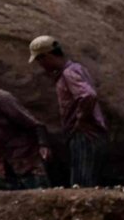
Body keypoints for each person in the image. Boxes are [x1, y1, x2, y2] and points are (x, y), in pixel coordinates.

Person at [29, 36, 107, 187]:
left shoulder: (68, 73)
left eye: (40, 60)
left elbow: (88, 95)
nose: (41, 65)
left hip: (85, 135)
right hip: (89, 134)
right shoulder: (77, 68)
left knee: (82, 184)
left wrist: (81, 119)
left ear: (47, 56)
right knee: (88, 181)